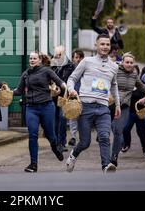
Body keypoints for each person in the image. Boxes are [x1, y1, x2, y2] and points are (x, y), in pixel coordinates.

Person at [65, 34, 121, 174]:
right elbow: (72, 78)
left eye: (107, 44)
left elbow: (114, 86)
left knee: (104, 136)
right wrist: (71, 90)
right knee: (85, 142)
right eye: (102, 44)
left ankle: (106, 166)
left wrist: (118, 105)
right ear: (96, 45)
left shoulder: (114, 66)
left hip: (103, 108)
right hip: (86, 107)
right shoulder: (87, 62)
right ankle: (73, 156)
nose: (105, 47)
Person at [13, 51, 67, 173]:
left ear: (39, 60)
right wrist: (7, 92)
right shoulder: (25, 74)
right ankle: (33, 164)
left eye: (34, 58)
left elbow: (59, 81)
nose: (32, 60)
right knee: (32, 135)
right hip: (31, 108)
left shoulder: (47, 71)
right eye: (30, 58)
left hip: (47, 106)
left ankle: (55, 147)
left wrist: (67, 87)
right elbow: (19, 90)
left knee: (50, 134)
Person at [51, 45, 76, 152]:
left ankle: (61, 143)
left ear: (64, 53)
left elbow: (73, 79)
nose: (57, 56)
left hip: (64, 95)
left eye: (59, 54)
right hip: (53, 95)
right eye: (56, 55)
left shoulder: (70, 65)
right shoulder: (52, 64)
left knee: (62, 118)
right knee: (55, 119)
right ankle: (57, 142)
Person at [67, 49, 85, 147]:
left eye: (80, 57)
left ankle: (83, 137)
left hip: (84, 95)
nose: (78, 60)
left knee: (83, 117)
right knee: (73, 116)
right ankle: (73, 137)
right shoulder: (70, 69)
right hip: (74, 94)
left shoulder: (86, 68)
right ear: (73, 59)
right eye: (76, 57)